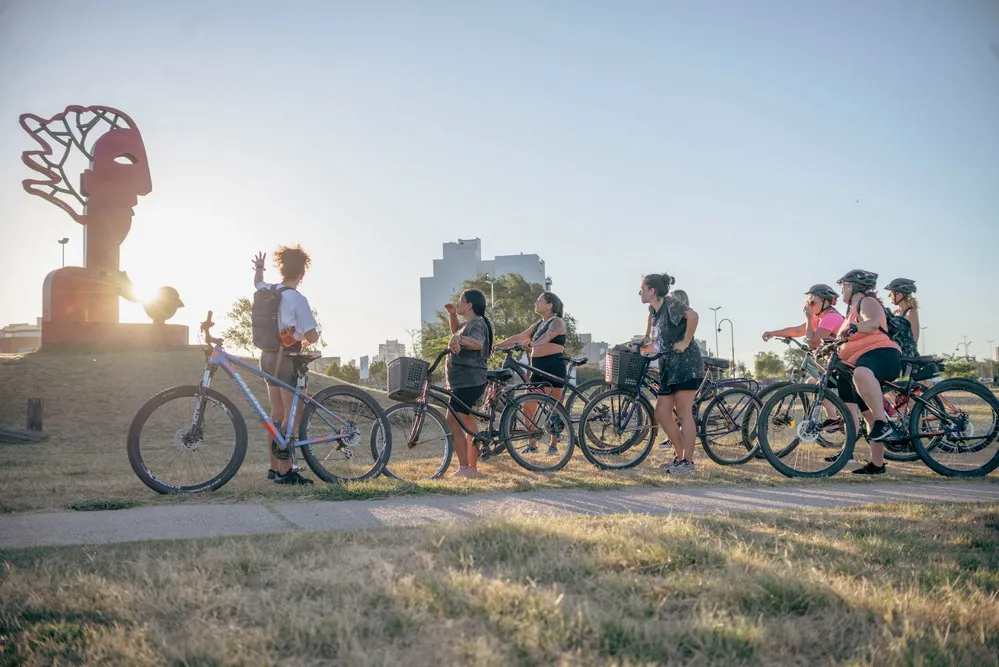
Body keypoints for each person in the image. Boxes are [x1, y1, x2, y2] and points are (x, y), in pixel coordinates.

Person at [253, 246, 319, 485]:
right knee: (293, 414)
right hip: (287, 359)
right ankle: (286, 471)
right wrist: (301, 335)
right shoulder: (296, 298)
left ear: (281, 268)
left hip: (267, 356)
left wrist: (260, 268)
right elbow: (311, 336)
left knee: (276, 413)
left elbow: (257, 282)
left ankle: (273, 468)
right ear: (302, 273)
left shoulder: (268, 289)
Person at [835, 269, 902, 475]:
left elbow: (872, 323)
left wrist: (855, 328)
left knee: (861, 374)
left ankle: (884, 423)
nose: (842, 291)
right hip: (862, 361)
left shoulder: (867, 302)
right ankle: (877, 464)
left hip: (881, 354)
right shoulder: (851, 311)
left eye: (844, 286)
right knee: (867, 415)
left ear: (853, 286)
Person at [637, 272, 704, 475]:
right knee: (662, 413)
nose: (639, 292)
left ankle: (687, 463)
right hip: (667, 366)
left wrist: (684, 342)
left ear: (652, 291)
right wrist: (641, 343)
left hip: (686, 365)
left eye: (642, 288)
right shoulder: (654, 311)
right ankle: (680, 456)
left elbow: (693, 316)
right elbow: (653, 340)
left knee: (684, 413)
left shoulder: (670, 304)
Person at [495, 292, 568, 453]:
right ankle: (532, 444)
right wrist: (499, 345)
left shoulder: (557, 322)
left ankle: (554, 444)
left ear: (549, 305)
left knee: (554, 408)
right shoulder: (538, 325)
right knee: (528, 405)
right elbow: (519, 337)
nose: (535, 303)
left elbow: (547, 337)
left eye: (539, 301)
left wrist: (533, 343)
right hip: (536, 368)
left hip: (553, 366)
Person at [442, 290, 493, 478]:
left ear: (470, 304)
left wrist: (460, 339)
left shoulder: (477, 324)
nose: (458, 302)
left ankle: (465, 468)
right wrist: (452, 315)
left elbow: (478, 343)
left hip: (468, 381)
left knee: (452, 420)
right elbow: (455, 332)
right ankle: (471, 467)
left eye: (460, 301)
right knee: (468, 421)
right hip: (467, 381)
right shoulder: (469, 324)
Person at [762, 284, 844, 350]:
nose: (809, 306)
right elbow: (798, 331)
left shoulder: (832, 317)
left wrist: (809, 319)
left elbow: (813, 344)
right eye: (807, 302)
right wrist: (774, 333)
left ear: (825, 303)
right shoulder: (819, 318)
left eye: (812, 302)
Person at [884, 278, 920, 368]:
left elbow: (914, 338)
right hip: (894, 353)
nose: (889, 296)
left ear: (899, 294)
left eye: (891, 293)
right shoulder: (895, 313)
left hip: (907, 356)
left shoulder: (911, 312)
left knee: (905, 381)